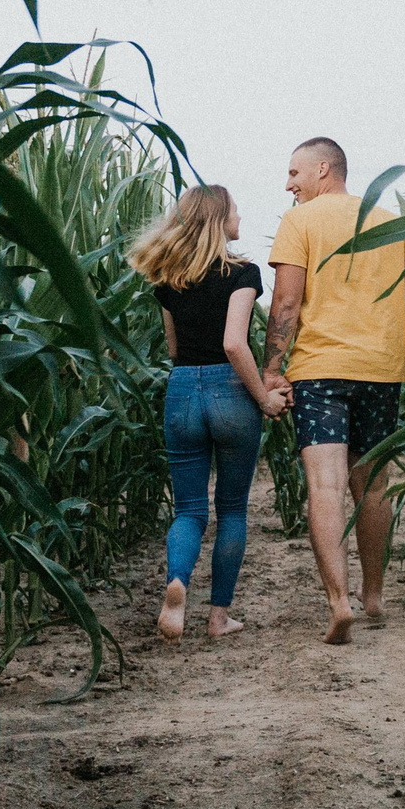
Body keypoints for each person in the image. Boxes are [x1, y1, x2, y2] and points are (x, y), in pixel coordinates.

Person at [262, 137, 405, 644]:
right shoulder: (393, 224)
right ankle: (374, 594)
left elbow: (287, 305)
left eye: (294, 173)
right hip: (381, 371)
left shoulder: (300, 222)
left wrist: (273, 368)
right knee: (374, 487)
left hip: (320, 371)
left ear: (323, 169)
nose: (289, 184)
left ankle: (338, 603)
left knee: (325, 487)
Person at [127, 185, 288, 642]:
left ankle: (177, 584)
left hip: (182, 390)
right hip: (230, 391)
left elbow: (175, 349)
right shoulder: (243, 273)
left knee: (189, 510)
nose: (241, 215)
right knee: (233, 508)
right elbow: (235, 343)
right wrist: (263, 398)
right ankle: (218, 618)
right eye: (235, 209)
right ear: (220, 220)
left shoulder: (167, 280)